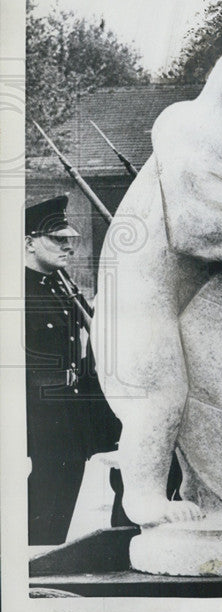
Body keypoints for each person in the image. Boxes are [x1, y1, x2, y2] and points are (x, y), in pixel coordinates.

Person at [24, 195, 120, 545]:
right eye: (58, 240)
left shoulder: (58, 284)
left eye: (70, 240)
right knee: (48, 493)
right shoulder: (18, 290)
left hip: (71, 404)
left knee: (67, 484)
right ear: (29, 242)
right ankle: (34, 564)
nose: (69, 248)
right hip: (40, 410)